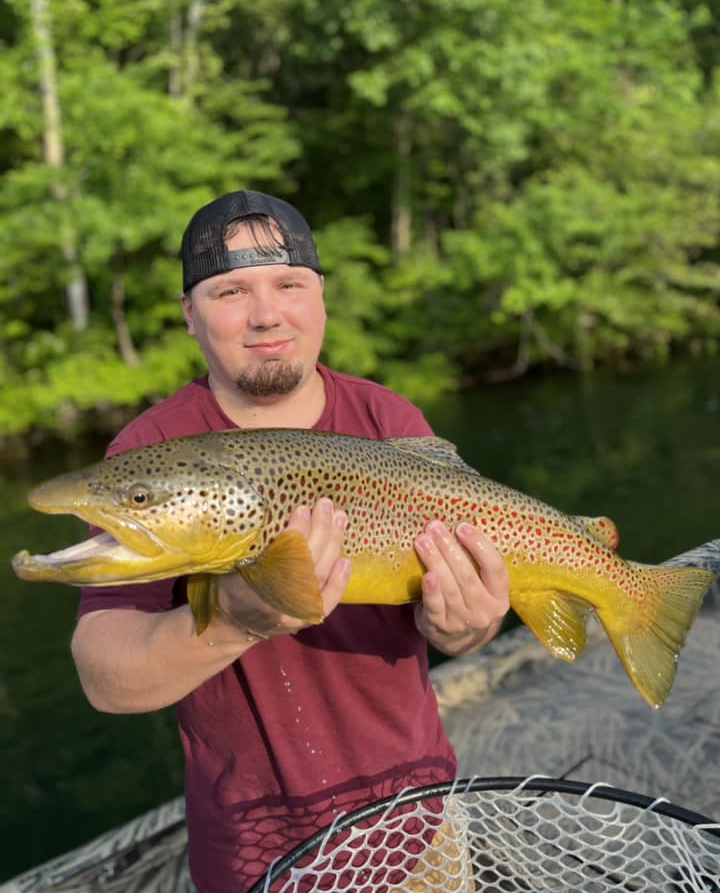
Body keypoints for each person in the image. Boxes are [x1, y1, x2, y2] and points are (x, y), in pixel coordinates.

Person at [70, 190, 510, 893]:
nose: (266, 314)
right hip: (256, 857)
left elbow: (462, 629)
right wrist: (234, 621)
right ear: (189, 314)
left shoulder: (387, 419)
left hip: (419, 826)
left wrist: (468, 626)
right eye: (231, 291)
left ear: (321, 298)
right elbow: (105, 677)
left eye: (288, 285)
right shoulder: (151, 454)